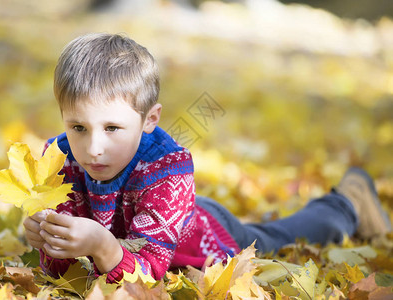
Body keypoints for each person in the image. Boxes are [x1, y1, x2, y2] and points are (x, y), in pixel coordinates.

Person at [23, 33, 391, 282]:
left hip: (204, 237)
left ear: (150, 119)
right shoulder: (57, 158)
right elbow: (64, 273)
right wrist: (49, 242)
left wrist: (102, 245)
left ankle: (345, 204)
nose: (94, 148)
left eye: (113, 128)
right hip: (152, 227)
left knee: (276, 238)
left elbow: (148, 275)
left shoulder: (168, 169)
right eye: (78, 127)